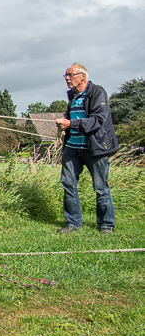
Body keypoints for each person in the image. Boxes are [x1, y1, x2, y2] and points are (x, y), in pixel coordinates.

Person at [55, 63, 119, 234]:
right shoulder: (72, 96)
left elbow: (97, 120)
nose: (67, 79)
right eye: (65, 76)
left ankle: (106, 224)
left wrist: (71, 123)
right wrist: (65, 123)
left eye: (70, 75)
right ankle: (73, 223)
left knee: (100, 187)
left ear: (82, 76)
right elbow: (74, 119)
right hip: (72, 147)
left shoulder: (98, 92)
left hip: (95, 148)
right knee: (68, 184)